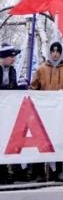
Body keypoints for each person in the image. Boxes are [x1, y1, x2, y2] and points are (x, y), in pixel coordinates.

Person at [30, 42, 63, 182]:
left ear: (61, 52)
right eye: (53, 51)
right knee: (41, 141)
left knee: (58, 140)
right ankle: (39, 172)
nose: (55, 53)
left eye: (58, 51)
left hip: (60, 111)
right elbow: (34, 87)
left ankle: (58, 170)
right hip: (44, 110)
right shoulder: (41, 69)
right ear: (50, 52)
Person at [0, 43, 20, 184]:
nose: (13, 60)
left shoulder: (12, 71)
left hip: (7, 111)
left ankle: (7, 171)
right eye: (11, 57)